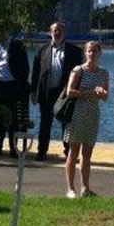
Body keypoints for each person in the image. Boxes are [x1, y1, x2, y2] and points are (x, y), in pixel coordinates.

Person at [30, 21, 82, 161]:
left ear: (64, 33)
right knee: (45, 124)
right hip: (46, 93)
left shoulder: (75, 51)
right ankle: (41, 152)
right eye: (54, 30)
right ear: (50, 32)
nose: (57, 33)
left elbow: (80, 75)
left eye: (60, 30)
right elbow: (36, 72)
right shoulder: (42, 49)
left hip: (65, 95)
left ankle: (68, 153)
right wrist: (33, 91)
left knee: (66, 125)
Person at [63, 40, 109, 198]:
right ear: (85, 53)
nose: (92, 54)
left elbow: (105, 97)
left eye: (95, 51)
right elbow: (69, 91)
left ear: (99, 53)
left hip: (92, 114)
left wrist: (102, 92)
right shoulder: (78, 70)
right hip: (77, 113)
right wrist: (88, 93)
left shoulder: (104, 73)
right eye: (89, 51)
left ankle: (85, 188)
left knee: (87, 153)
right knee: (73, 151)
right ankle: (70, 189)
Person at [0, 27, 30, 158]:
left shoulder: (17, 45)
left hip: (12, 85)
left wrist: (21, 85)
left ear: (5, 31)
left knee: (13, 119)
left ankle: (13, 148)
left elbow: (24, 67)